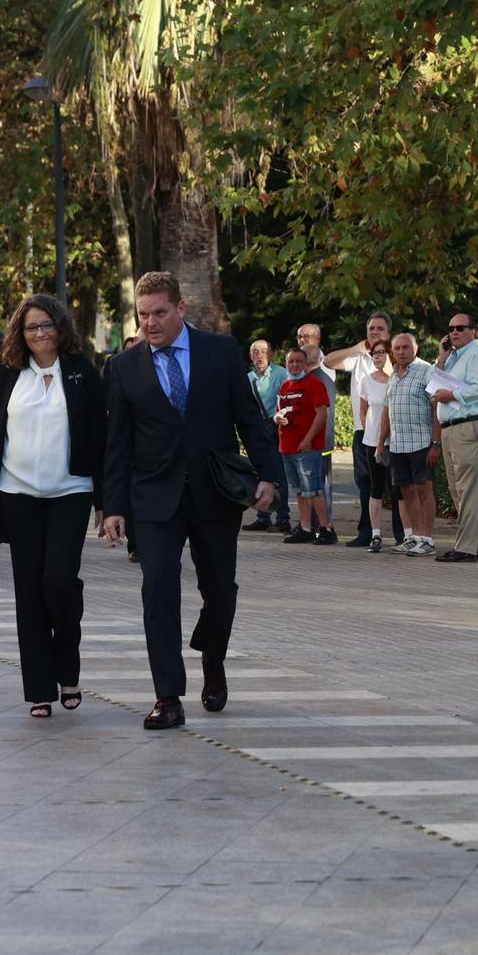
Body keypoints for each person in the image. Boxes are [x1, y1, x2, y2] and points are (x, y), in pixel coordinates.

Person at [100, 271, 282, 731]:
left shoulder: (220, 352)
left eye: (160, 312)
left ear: (181, 309)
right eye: (143, 315)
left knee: (220, 589)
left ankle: (213, 656)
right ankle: (167, 696)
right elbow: (117, 445)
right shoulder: (124, 367)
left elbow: (250, 418)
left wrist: (270, 475)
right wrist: (113, 506)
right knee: (157, 587)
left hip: (215, 492)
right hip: (154, 498)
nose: (151, 323)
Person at [0, 295, 106, 719]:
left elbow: (100, 436)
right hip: (17, 494)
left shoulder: (82, 372)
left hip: (71, 492)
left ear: (61, 327)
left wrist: (107, 501)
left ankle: (69, 670)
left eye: (47, 325)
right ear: (20, 333)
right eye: (32, 327)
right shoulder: (7, 373)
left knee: (59, 582)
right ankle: (40, 689)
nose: (41, 333)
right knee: (29, 592)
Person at [319, 311, 399, 547]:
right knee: (365, 483)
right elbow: (328, 361)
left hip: (395, 433)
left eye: (379, 329)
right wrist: (357, 348)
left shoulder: (396, 359)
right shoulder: (359, 358)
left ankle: (401, 533)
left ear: (389, 333)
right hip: (363, 432)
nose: (374, 332)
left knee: (395, 484)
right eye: (371, 328)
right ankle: (367, 531)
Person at [432, 311, 478, 563]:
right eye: (451, 328)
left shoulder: (476, 355)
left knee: (467, 489)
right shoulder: (454, 357)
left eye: (460, 328)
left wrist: (453, 395)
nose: (454, 332)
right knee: (461, 489)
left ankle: (466, 548)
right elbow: (436, 386)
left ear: (473, 331)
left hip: (470, 426)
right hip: (451, 427)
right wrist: (442, 358)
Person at [377, 332, 441, 557]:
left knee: (424, 489)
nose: (401, 352)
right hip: (398, 445)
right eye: (397, 348)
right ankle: (414, 537)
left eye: (406, 347)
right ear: (392, 352)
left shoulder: (427, 371)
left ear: (415, 349)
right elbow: (387, 411)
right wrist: (380, 443)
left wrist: (436, 443)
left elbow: (438, 409)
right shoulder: (392, 375)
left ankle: (427, 539)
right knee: (406, 492)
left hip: (422, 442)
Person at [274, 347, 335, 545]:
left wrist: (308, 439)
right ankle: (306, 528)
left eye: (298, 361)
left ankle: (326, 529)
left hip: (306, 448)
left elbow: (321, 414)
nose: (294, 365)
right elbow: (278, 412)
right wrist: (278, 418)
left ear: (305, 363)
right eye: (290, 361)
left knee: (314, 490)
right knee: (300, 490)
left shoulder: (314, 384)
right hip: (287, 446)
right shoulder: (284, 386)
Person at [351, 341, 403, 551]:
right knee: (375, 488)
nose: (377, 356)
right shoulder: (366, 380)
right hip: (372, 442)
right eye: (374, 353)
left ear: (390, 354)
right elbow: (363, 409)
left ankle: (403, 535)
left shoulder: (398, 379)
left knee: (398, 489)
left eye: (381, 352)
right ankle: (375, 535)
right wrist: (369, 431)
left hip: (395, 442)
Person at [243, 339, 286, 532]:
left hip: (278, 430)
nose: (259, 355)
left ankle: (283, 518)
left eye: (263, 351)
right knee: (260, 474)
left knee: (279, 476)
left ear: (270, 354)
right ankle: (263, 517)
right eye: (255, 352)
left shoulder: (280, 374)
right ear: (251, 356)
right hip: (258, 433)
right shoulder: (247, 378)